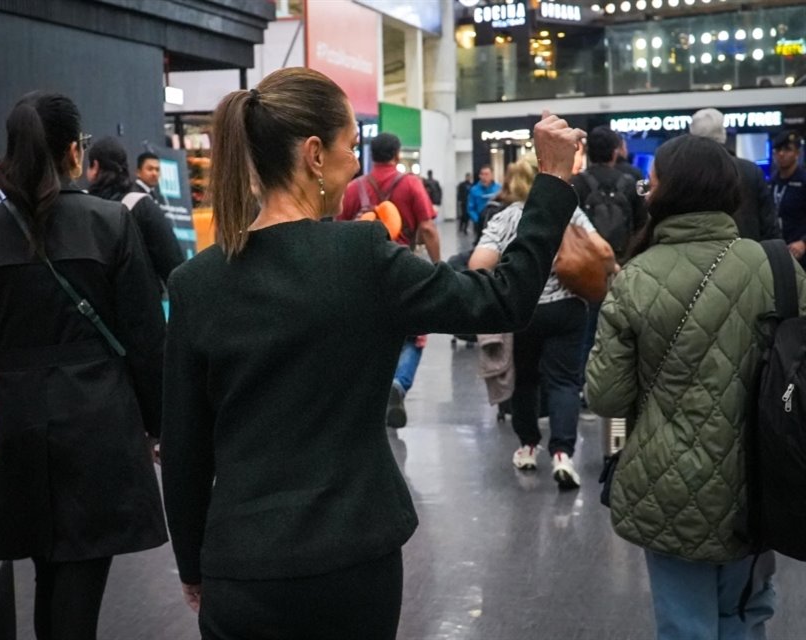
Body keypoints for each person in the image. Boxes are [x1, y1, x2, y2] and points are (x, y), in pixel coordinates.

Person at [160, 66, 585, 640]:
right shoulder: (362, 256)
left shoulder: (196, 284)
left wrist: (192, 564)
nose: (354, 163)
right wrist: (553, 181)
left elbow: (185, 449)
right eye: (348, 147)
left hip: (242, 564)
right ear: (314, 154)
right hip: (353, 552)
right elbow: (501, 300)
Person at [0, 92, 167, 640]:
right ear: (72, 150)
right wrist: (158, 425)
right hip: (100, 421)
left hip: (20, 425)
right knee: (81, 577)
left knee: (48, 573)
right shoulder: (109, 222)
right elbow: (145, 338)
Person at [586, 134, 796, 639]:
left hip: (669, 485)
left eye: (649, 184)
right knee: (746, 615)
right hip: (763, 479)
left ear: (666, 195)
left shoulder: (635, 279)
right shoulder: (780, 268)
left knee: (686, 625)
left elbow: (608, 397)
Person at [469, 157, 597, 489]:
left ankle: (527, 447)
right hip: (567, 308)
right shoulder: (569, 212)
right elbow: (601, 249)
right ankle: (563, 455)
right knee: (565, 381)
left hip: (522, 310)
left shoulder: (506, 217)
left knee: (525, 380)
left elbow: (477, 263)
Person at [338, 132, 441, 429]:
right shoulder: (410, 184)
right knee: (414, 333)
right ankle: (397, 383)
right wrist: (437, 266)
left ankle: (369, 390)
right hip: (402, 267)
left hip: (361, 270)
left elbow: (339, 227)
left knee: (369, 329)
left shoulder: (355, 187)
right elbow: (428, 228)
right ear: (396, 154)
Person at [572, 126, 647, 387]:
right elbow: (643, 222)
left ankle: (584, 384)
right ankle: (619, 382)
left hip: (584, 267)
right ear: (616, 152)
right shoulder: (635, 178)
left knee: (586, 329)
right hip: (622, 265)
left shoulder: (577, 183)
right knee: (622, 327)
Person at [86, 136, 184, 286]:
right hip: (137, 301)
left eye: (157, 169)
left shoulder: (80, 207)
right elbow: (172, 263)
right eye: (150, 169)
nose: (154, 173)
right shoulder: (141, 205)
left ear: (95, 167)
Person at [690, 108, 781, 242]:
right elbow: (769, 224)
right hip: (748, 251)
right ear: (723, 134)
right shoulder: (750, 171)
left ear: (691, 135)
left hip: (698, 252)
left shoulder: (681, 172)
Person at [771, 130, 806, 265]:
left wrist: (804, 242)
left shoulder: (803, 181)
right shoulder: (771, 182)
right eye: (778, 150)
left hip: (800, 251)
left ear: (797, 153)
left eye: (787, 150)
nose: (781, 154)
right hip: (778, 250)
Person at [467, 165, 500, 242]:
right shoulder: (474, 190)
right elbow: (470, 208)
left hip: (496, 223)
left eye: (487, 174)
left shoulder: (499, 188)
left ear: (492, 175)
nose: (484, 177)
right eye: (482, 174)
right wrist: (477, 220)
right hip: (480, 223)